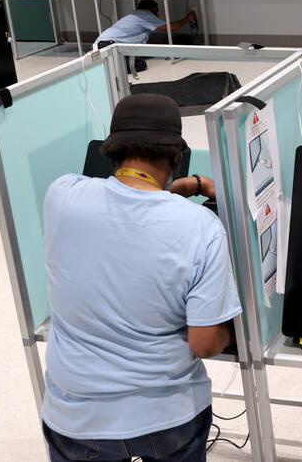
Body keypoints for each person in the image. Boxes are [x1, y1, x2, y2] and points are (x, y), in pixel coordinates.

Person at [40, 93, 240, 462]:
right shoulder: (200, 227)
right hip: (164, 423)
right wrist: (230, 327)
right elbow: (205, 344)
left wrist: (166, 192)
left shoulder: (61, 195)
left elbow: (116, 211)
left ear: (110, 150)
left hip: (72, 419)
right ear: (176, 157)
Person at [94, 0, 197, 71]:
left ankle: (109, 64)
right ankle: (110, 66)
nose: (158, 15)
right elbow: (170, 28)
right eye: (156, 11)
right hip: (109, 45)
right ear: (149, 8)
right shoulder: (145, 14)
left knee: (137, 60)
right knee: (140, 64)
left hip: (103, 44)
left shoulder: (135, 15)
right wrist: (187, 19)